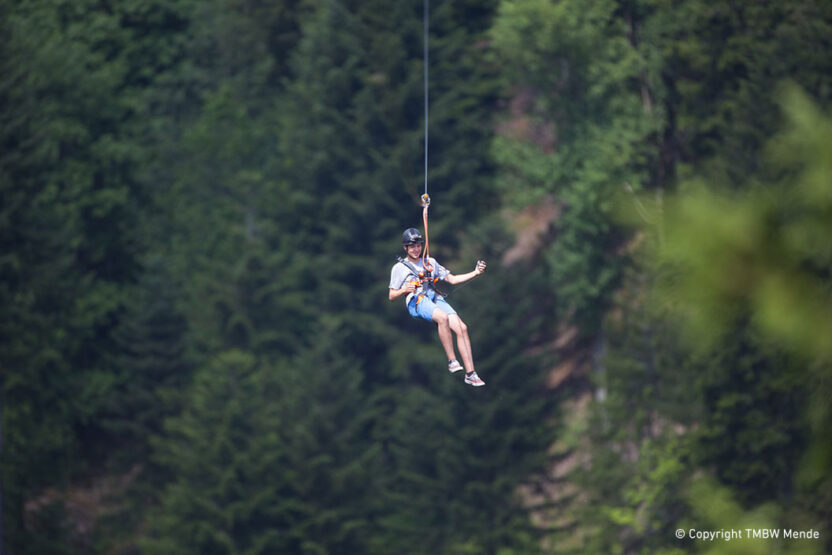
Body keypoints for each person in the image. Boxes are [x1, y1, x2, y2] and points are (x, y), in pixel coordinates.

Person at [388, 228, 487, 386]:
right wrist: (404, 290)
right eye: (412, 246)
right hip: (417, 301)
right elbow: (392, 295)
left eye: (419, 245)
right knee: (442, 317)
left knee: (462, 328)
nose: (416, 249)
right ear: (405, 248)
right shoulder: (399, 268)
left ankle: (470, 373)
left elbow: (452, 279)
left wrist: (475, 273)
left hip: (433, 297)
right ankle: (452, 360)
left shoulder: (430, 262)